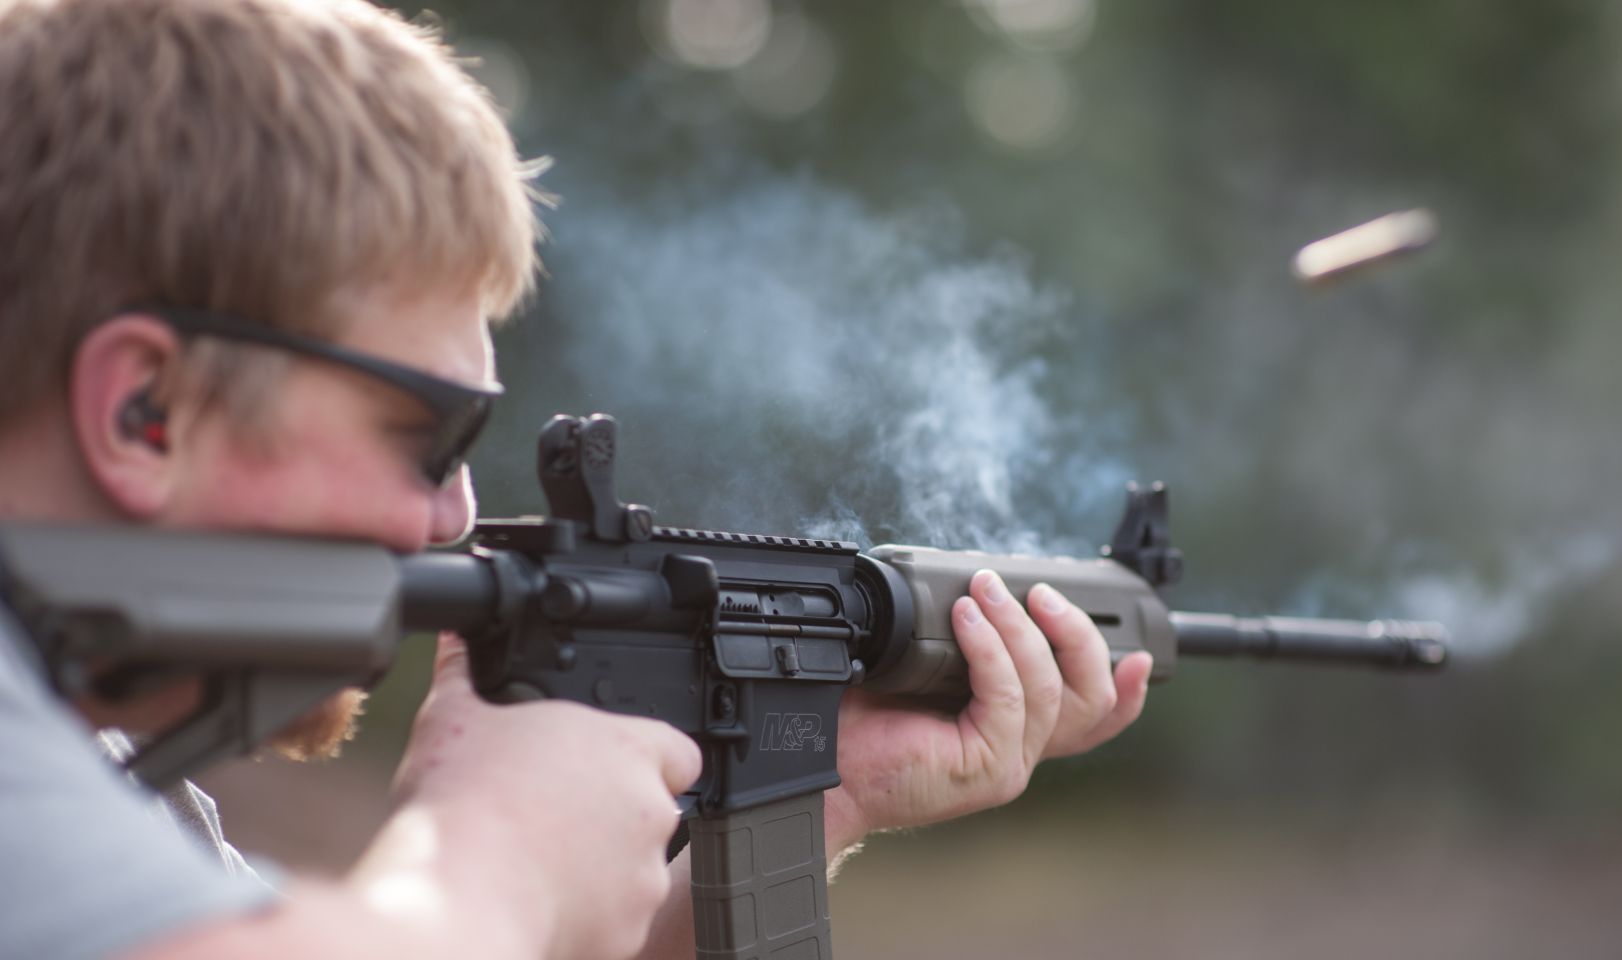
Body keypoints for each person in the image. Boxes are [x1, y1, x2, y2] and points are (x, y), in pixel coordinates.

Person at [0, 1, 1155, 958]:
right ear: (146, 411)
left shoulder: (108, 783)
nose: (455, 516)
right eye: (425, 436)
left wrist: (817, 794)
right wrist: (493, 847)